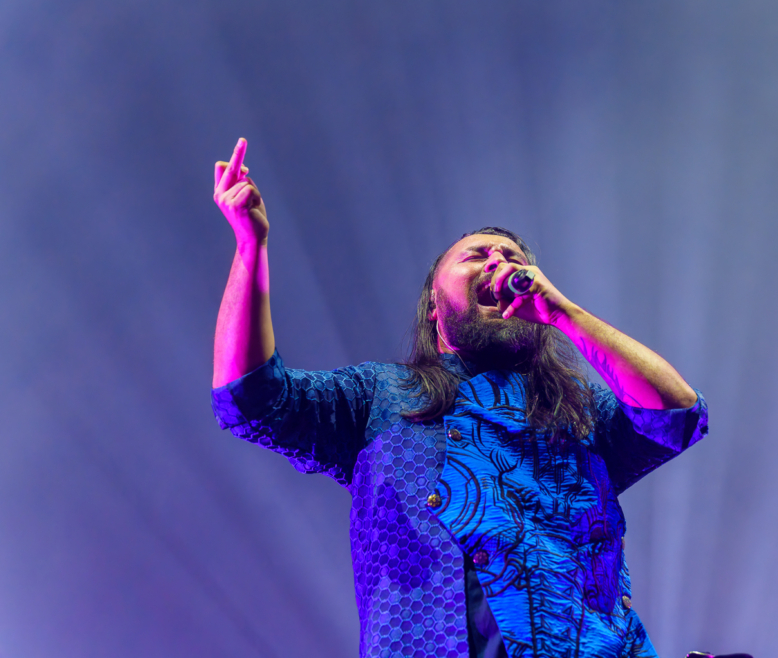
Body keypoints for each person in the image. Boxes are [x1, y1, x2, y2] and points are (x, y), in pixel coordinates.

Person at [210, 138, 709, 658]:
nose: (499, 263)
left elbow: (676, 413)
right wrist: (250, 246)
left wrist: (562, 312)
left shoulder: (577, 407)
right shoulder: (376, 394)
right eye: (477, 255)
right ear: (433, 304)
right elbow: (248, 397)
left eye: (512, 258)